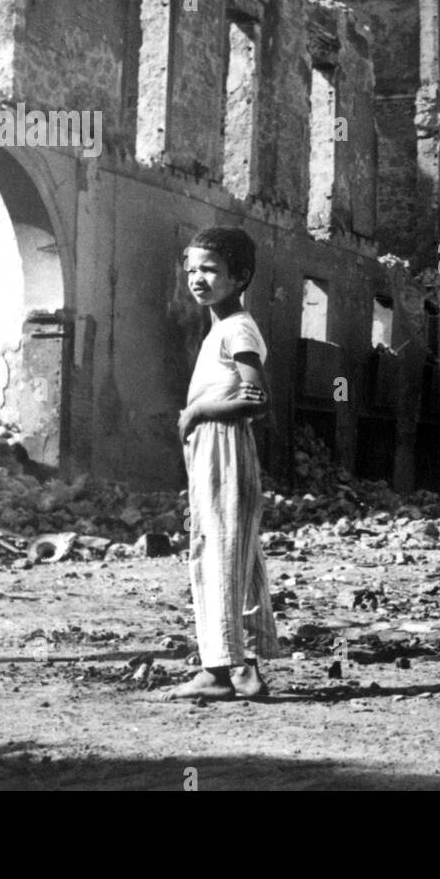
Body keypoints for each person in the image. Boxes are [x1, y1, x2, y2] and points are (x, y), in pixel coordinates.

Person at [168, 226, 278, 701]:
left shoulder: (236, 328)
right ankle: (234, 668)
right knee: (228, 553)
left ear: (241, 276)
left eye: (210, 269)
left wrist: (197, 412)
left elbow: (257, 399)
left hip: (226, 448)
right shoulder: (223, 327)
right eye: (192, 268)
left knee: (221, 553)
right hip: (216, 449)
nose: (198, 278)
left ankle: (225, 671)